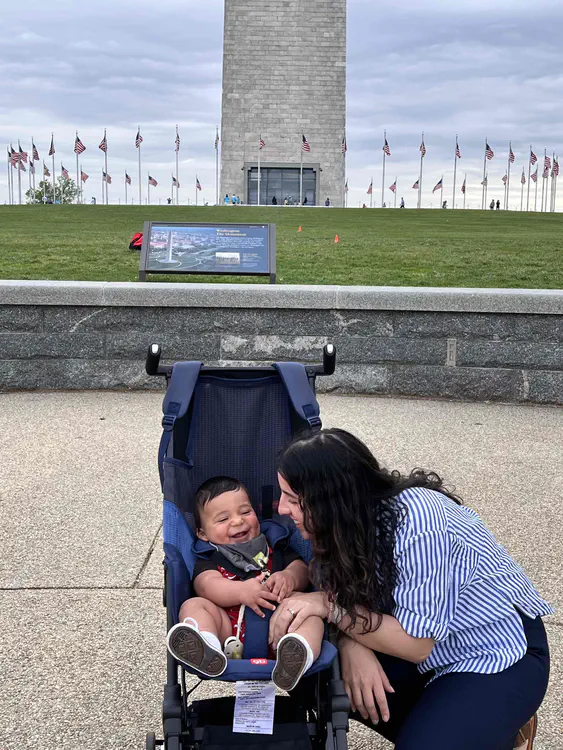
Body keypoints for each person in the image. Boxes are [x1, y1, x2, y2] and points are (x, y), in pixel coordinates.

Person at [269, 429, 552, 750]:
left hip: (497, 652)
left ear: (331, 499)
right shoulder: (340, 524)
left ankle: (496, 722)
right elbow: (342, 597)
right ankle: (473, 727)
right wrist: (350, 644)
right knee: (307, 672)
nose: (280, 509)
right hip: (425, 650)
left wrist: (328, 607)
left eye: (292, 499)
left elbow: (416, 644)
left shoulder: (418, 524)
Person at [166, 476, 323, 691]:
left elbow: (302, 569)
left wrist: (289, 577)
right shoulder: (210, 556)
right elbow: (206, 585)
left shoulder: (275, 544)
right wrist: (240, 591)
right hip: (228, 634)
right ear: (203, 534)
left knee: (311, 614)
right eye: (223, 519)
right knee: (193, 606)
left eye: (245, 512)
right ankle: (206, 645)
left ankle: (298, 652)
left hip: (280, 631)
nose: (238, 521)